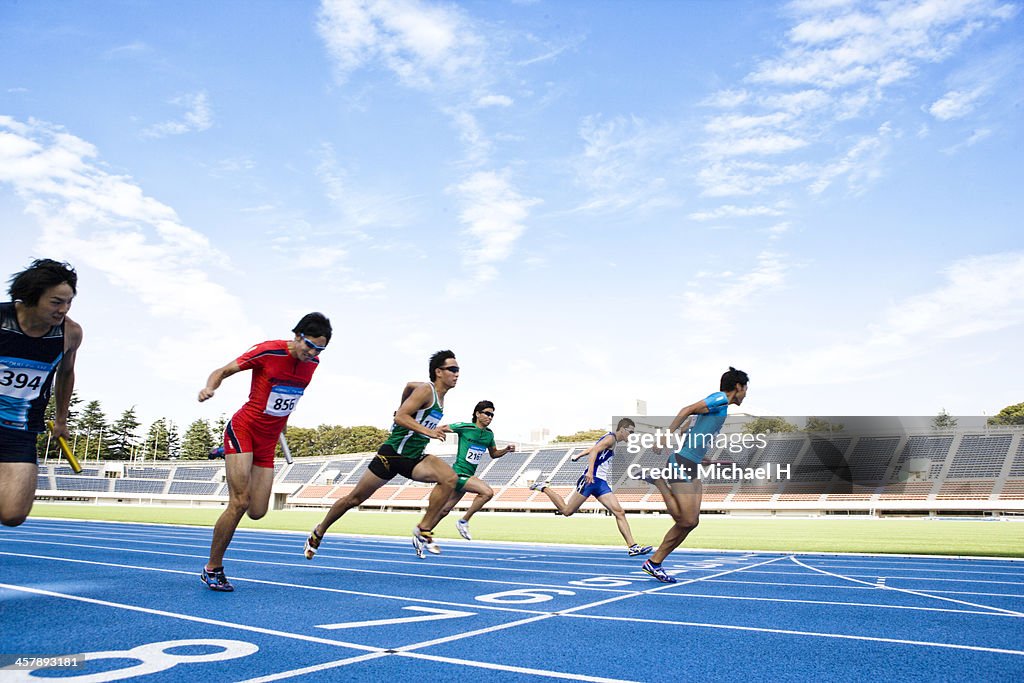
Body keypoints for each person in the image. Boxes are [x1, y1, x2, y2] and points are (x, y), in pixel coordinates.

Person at [197, 312, 332, 591]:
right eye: (310, 345)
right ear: (297, 336)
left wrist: (282, 425)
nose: (313, 353)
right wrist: (209, 388)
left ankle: (229, 453)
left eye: (320, 349)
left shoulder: (313, 364)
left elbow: (288, 399)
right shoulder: (269, 350)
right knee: (239, 502)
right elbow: (222, 371)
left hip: (268, 441)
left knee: (257, 511)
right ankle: (213, 568)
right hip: (244, 428)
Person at [304, 350, 460, 560]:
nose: (457, 374)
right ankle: (319, 531)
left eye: (458, 370)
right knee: (354, 499)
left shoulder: (438, 397)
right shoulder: (426, 390)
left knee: (449, 478)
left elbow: (407, 386)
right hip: (392, 455)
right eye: (453, 369)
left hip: (413, 458)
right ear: (439, 372)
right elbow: (401, 418)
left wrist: (403, 403)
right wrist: (428, 430)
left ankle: (423, 528)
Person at [642, 366, 749, 583]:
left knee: (691, 522)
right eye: (746, 388)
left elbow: (695, 431)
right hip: (681, 462)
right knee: (686, 519)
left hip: (692, 463)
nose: (746, 393)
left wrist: (703, 458)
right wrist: (666, 436)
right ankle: (659, 482)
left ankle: (654, 563)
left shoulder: (722, 408)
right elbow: (686, 409)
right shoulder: (719, 398)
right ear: (738, 387)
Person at [0, 259, 82, 527]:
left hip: (20, 429)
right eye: (56, 302)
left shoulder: (70, 332)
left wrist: (61, 419)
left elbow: (66, 373)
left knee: (13, 514)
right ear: (31, 298)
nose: (64, 309)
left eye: (69, 302)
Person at [529, 418, 653, 557]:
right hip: (590, 480)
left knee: (619, 512)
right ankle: (544, 488)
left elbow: (594, 448)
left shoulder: (611, 440)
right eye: (631, 432)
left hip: (600, 483)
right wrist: (590, 471)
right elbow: (595, 451)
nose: (632, 435)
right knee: (567, 511)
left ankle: (632, 546)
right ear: (622, 429)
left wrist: (578, 455)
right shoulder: (611, 438)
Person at [432, 400, 516, 547]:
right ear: (477, 414)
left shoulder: (489, 435)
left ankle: (422, 532)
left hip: (467, 475)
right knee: (487, 492)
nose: (490, 417)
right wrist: (435, 432)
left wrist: (506, 450)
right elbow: (442, 427)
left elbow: (494, 454)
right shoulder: (466, 427)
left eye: (492, 415)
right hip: (457, 473)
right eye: (487, 414)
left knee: (444, 510)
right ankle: (463, 521)